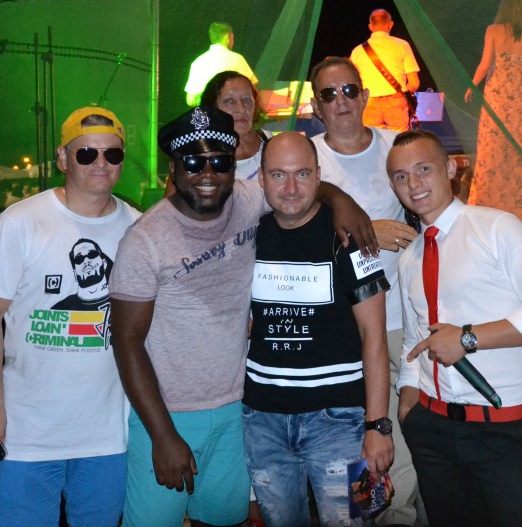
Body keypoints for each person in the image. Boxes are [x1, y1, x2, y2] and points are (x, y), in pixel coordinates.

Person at [110, 106, 376, 527]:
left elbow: (294, 183)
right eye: (193, 162)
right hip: (170, 412)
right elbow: (126, 340)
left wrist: (342, 200)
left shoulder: (249, 200)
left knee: (224, 518)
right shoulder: (145, 240)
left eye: (220, 162)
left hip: (240, 411)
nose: (207, 174)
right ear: (173, 168)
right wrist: (162, 434)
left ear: (234, 168)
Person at [387, 130, 522, 527]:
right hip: (432, 430)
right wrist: (408, 398)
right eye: (401, 176)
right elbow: (415, 338)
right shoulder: (409, 257)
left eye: (423, 169)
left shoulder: (498, 228)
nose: (413, 183)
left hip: (501, 429)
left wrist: (468, 338)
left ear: (450, 169)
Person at [0, 106, 140, 527]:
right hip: (28, 434)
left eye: (112, 154)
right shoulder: (21, 222)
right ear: (63, 158)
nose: (100, 163)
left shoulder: (138, 229)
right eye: (87, 153)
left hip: (108, 438)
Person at [243, 132, 394, 527]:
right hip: (262, 420)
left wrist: (378, 426)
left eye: (303, 174)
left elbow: (375, 338)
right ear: (262, 179)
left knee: (353, 522)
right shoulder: (247, 237)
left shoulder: (351, 237)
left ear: (319, 176)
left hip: (340, 421)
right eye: (279, 175)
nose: (291, 188)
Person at [308, 56, 424, 527]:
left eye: (349, 90)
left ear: (365, 95)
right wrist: (366, 229)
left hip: (401, 316)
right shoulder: (305, 157)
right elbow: (290, 228)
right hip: (339, 326)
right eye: (329, 94)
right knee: (358, 431)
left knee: (398, 427)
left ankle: (398, 515)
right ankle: (369, 514)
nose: (341, 101)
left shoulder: (395, 147)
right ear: (316, 105)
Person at [465, 0, 522, 226]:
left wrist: (472, 85)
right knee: (517, 151)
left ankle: (489, 204)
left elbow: (485, 64)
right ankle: (517, 207)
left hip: (497, 96)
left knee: (493, 149)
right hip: (519, 97)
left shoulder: (493, 30)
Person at [350, 9, 421, 131]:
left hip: (369, 103)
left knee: (372, 141)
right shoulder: (402, 45)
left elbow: (352, 83)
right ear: (390, 24)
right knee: (399, 141)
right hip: (396, 101)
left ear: (370, 27)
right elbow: (414, 84)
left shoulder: (357, 51)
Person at [201, 70, 272, 182]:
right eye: (230, 101)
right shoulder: (201, 156)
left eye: (246, 100)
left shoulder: (271, 143)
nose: (241, 109)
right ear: (212, 109)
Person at [185, 22, 258, 107]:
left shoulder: (198, 62)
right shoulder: (236, 59)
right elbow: (253, 91)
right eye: (233, 38)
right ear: (227, 37)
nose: (233, 42)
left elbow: (190, 100)